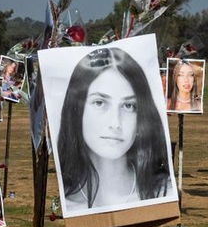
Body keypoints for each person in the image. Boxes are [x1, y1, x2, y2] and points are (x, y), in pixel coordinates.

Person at [57, 46, 171, 211]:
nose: (115, 123)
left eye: (128, 105)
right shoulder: (66, 203)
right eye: (100, 103)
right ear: (76, 110)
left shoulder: (165, 195)